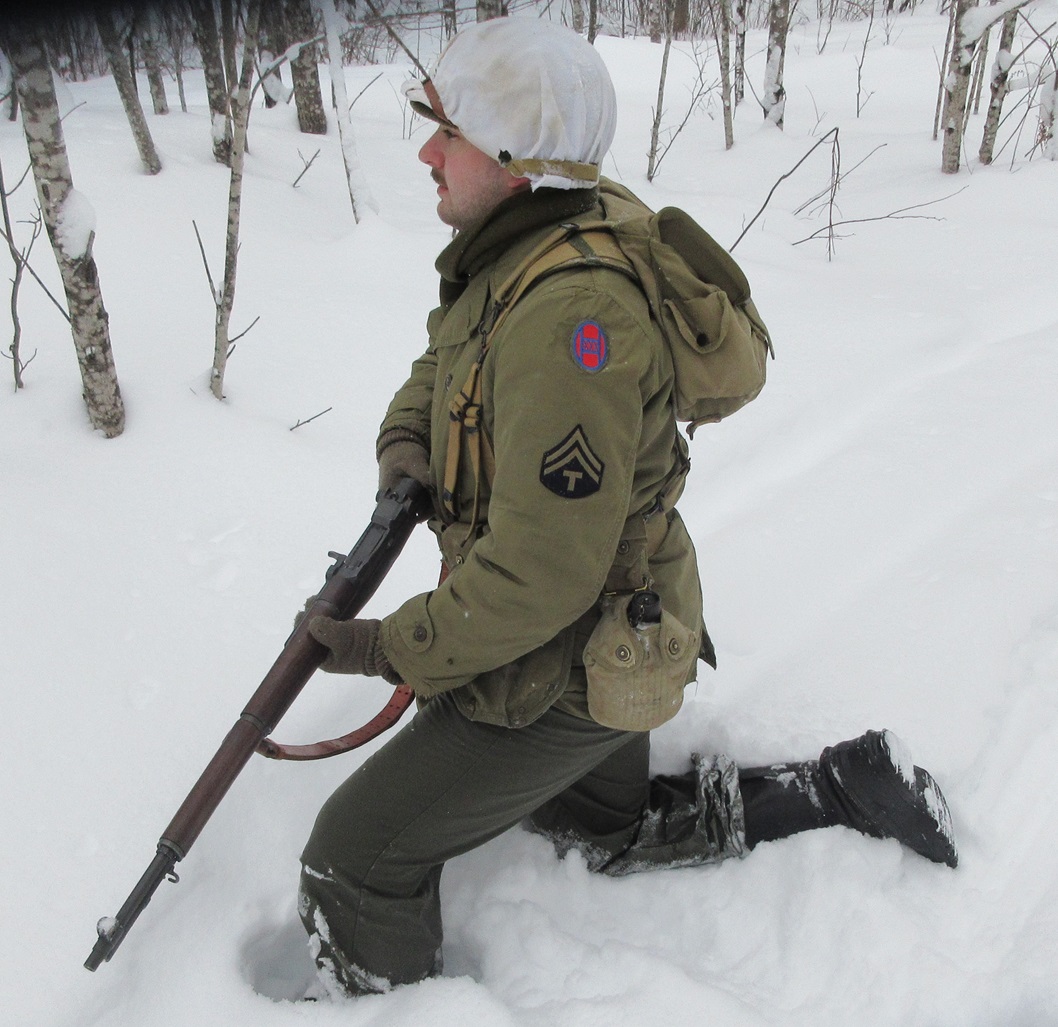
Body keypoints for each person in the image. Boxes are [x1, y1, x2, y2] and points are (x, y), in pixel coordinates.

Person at [297, 17, 957, 999]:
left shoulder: (571, 316)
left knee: (353, 858)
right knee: (595, 829)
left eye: (449, 133)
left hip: (567, 664)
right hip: (619, 635)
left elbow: (540, 577)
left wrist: (386, 646)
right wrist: (406, 443)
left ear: (515, 158)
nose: (428, 153)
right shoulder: (543, 229)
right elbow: (446, 357)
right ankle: (837, 788)